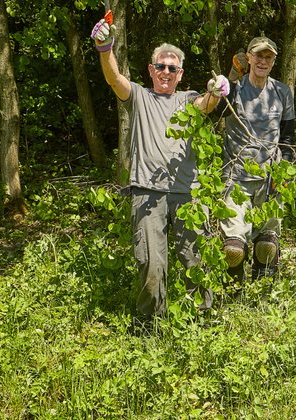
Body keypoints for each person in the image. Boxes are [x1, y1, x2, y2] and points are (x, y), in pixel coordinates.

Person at [90, 14, 228, 320]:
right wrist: (105, 48)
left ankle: (201, 324)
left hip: (187, 195)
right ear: (152, 70)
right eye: (161, 67)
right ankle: (150, 329)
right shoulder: (139, 96)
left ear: (180, 74)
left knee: (195, 261)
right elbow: (114, 78)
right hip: (147, 194)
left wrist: (217, 89)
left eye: (172, 68)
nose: (166, 72)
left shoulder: (188, 99)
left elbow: (205, 104)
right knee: (151, 264)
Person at [218, 36, 296, 281]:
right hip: (236, 177)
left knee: (267, 245)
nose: (263, 61)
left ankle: (263, 293)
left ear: (274, 61)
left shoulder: (282, 92)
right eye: (258, 56)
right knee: (233, 248)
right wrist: (231, 76)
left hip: (269, 179)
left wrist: (284, 171)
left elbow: (287, 136)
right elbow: (217, 111)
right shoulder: (235, 88)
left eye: (268, 57)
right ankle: (233, 292)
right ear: (249, 58)